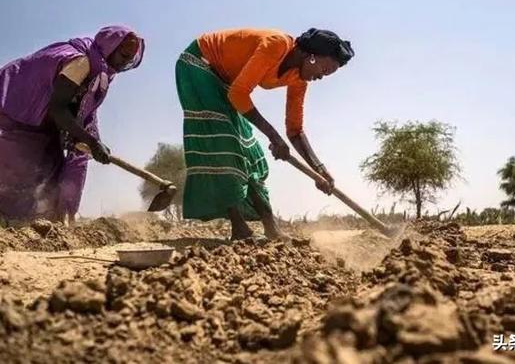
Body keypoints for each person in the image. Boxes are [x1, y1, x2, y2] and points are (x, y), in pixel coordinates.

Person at [175, 28, 354, 240]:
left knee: (251, 151)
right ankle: (240, 229)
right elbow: (239, 94)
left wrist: (319, 169)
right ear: (311, 56)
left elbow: (295, 130)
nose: (321, 78)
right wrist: (273, 136)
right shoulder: (276, 45)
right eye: (324, 70)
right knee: (225, 143)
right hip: (198, 63)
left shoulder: (298, 79)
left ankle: (271, 227)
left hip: (226, 81)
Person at [0, 25, 145, 223]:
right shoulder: (80, 62)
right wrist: (92, 143)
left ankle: (50, 219)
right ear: (110, 48)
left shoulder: (99, 75)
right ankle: (11, 220)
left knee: (52, 162)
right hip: (17, 104)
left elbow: (82, 113)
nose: (124, 63)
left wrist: (91, 141)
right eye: (123, 55)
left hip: (42, 119)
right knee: (21, 161)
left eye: (130, 60)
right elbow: (58, 109)